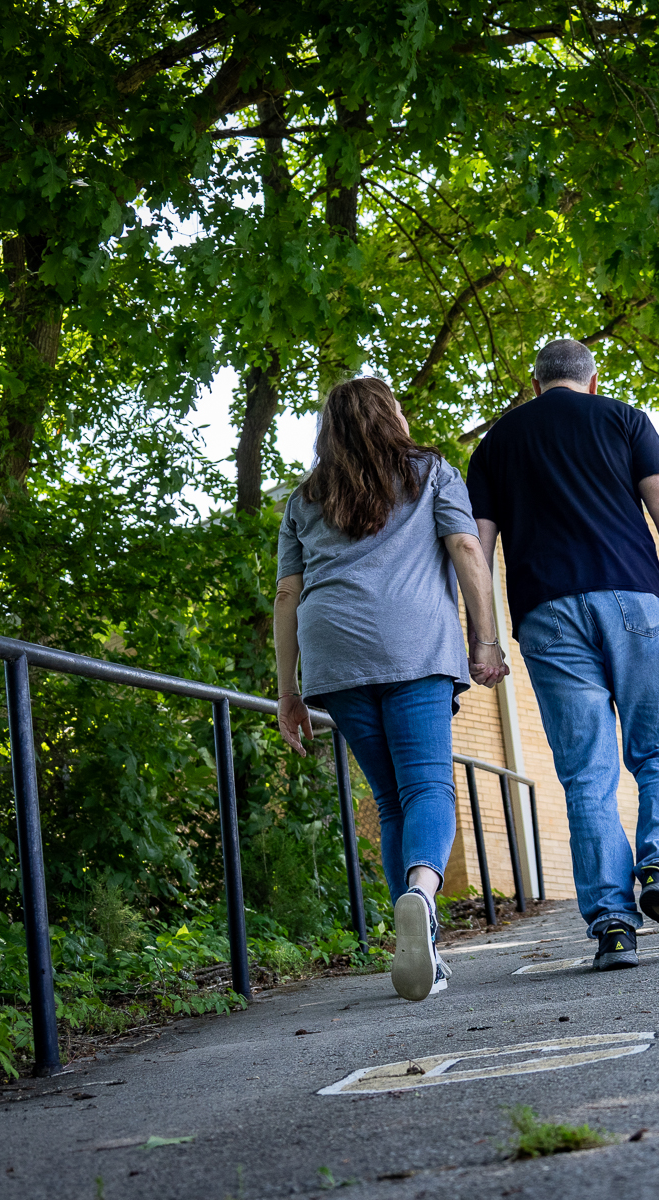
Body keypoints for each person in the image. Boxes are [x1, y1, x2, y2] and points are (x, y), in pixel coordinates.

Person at [466, 339, 659, 971]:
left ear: (535, 382)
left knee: (586, 772)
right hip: (633, 599)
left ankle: (612, 928)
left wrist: (485, 638)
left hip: (545, 614)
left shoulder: (494, 445)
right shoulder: (623, 419)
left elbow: (479, 548)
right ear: (592, 380)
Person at [274, 376, 508, 1002]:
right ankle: (421, 899)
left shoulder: (305, 499)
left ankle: (419, 942)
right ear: (389, 418)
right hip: (413, 645)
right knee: (428, 787)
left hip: (333, 651)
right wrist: (485, 639)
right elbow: (464, 545)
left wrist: (287, 691)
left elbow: (287, 595)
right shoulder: (430, 471)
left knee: (391, 800)